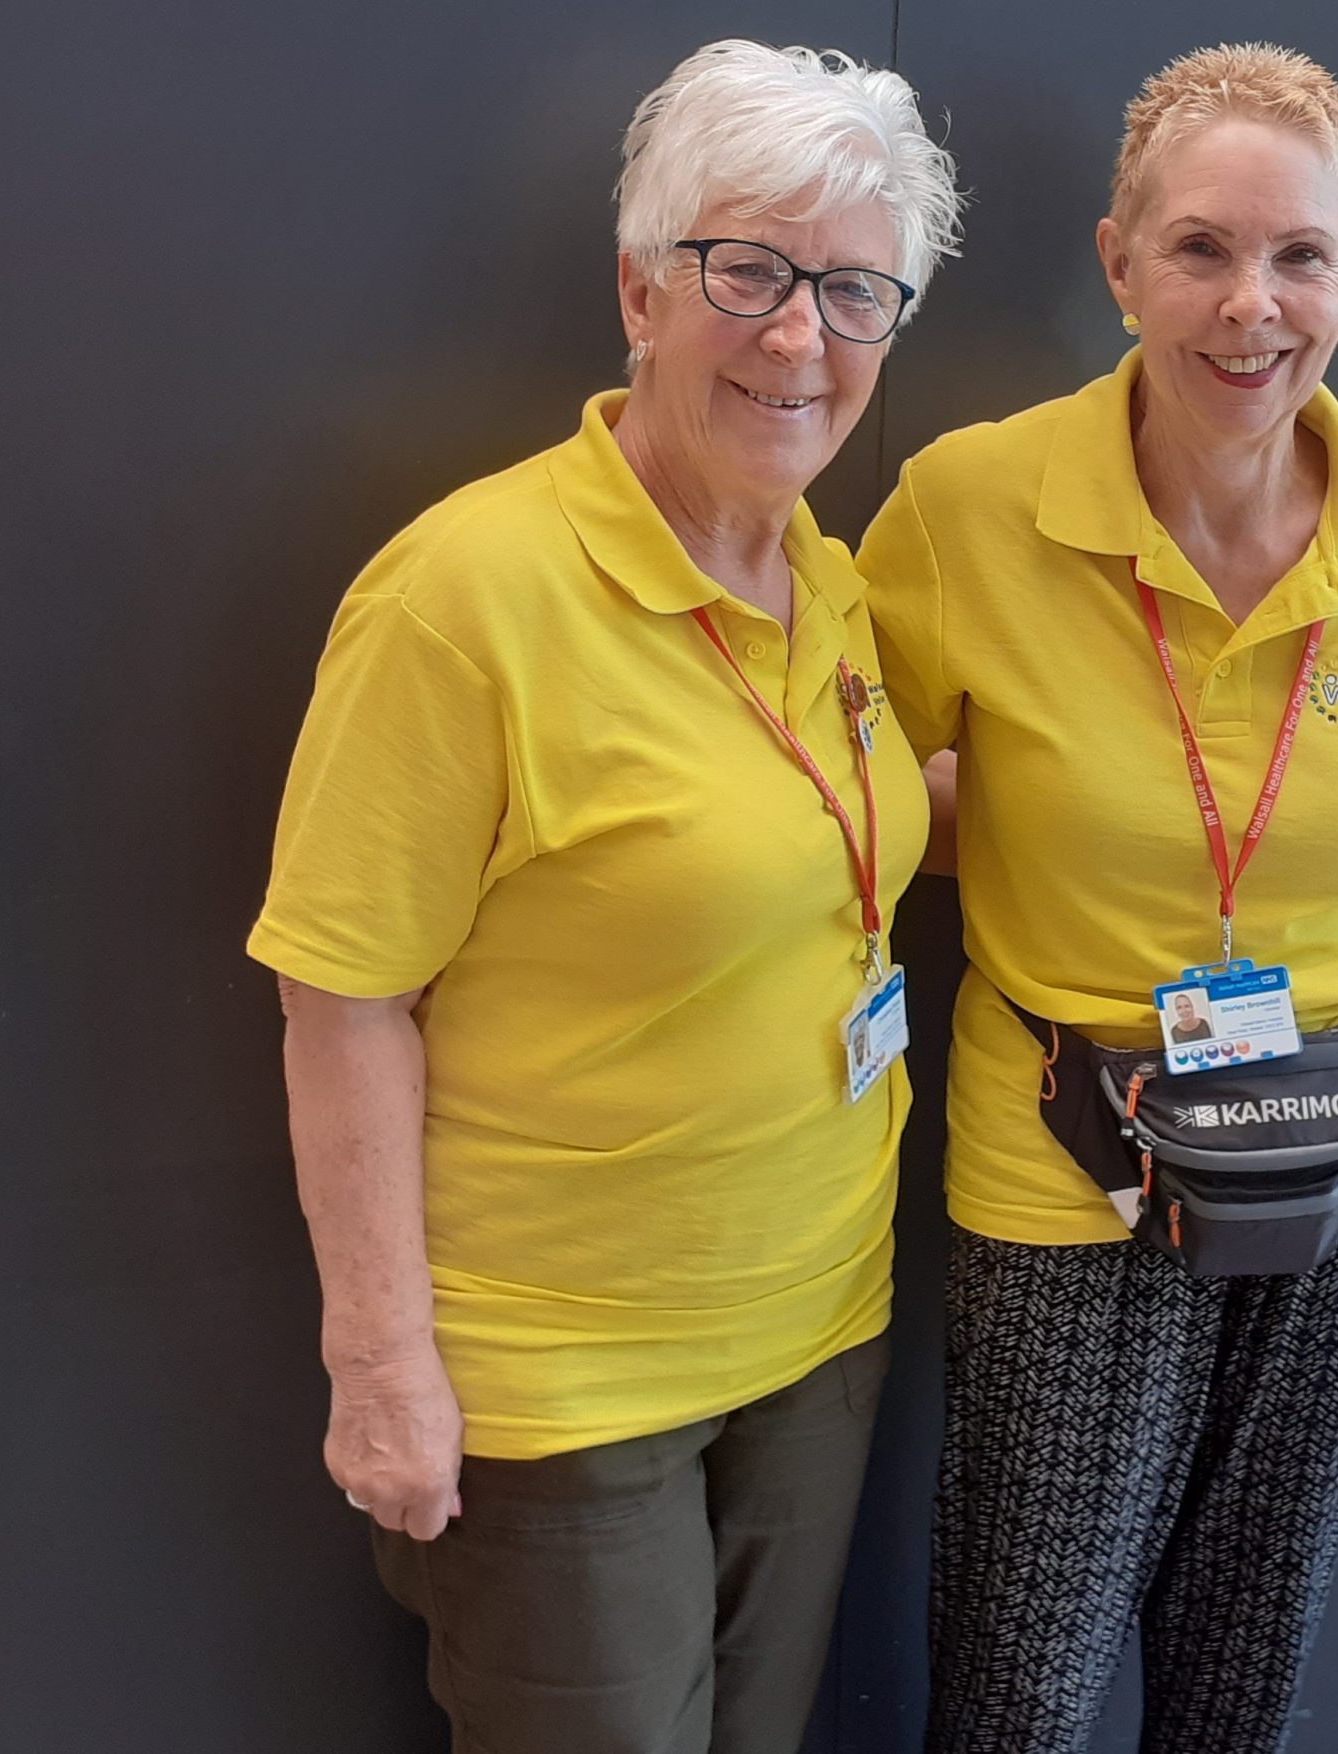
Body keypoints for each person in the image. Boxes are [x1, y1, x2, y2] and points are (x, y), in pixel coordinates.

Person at [246, 40, 959, 1754]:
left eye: (855, 290)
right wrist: (382, 1367)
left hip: (819, 1324)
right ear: (640, 290)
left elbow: (818, 839)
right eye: (749, 271)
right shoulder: (463, 597)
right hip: (558, 1386)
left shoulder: (831, 586)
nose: (801, 336)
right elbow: (342, 993)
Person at [860, 43, 1338, 1754]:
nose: (1252, 306)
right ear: (1117, 261)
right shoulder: (965, 508)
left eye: (1301, 256)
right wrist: (1022, 827)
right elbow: (841, 797)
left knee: (1246, 1657)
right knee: (1023, 1678)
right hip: (1075, 1158)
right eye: (1203, 249)